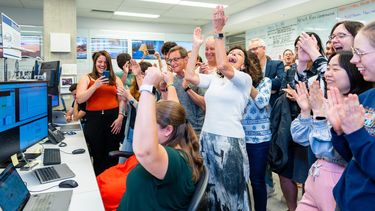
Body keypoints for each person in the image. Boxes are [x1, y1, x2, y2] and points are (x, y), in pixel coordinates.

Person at [184, 6, 252, 210]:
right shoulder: (214, 79)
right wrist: (196, 47)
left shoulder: (244, 80)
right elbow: (189, 77)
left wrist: (219, 32)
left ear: (244, 64)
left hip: (230, 141)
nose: (232, 55)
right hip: (207, 138)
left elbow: (222, 65)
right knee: (211, 191)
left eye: (238, 55)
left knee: (232, 192)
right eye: (230, 52)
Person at [290, 51, 372, 211]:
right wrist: (306, 111)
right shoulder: (325, 102)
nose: (327, 74)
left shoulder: (360, 107)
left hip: (337, 180)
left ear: (353, 72)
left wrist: (319, 116)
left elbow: (334, 151)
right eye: (327, 68)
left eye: (335, 69)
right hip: (315, 178)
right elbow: (300, 138)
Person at [117, 67, 203, 210]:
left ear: (168, 130)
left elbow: (144, 151)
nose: (147, 129)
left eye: (151, 124)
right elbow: (176, 110)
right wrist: (165, 88)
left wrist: (147, 86)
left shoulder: (175, 160)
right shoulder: (177, 143)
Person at [329, 21, 375, 211]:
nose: (354, 60)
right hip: (348, 200)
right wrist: (339, 130)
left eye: (360, 53)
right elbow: (352, 156)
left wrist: (356, 132)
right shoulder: (366, 98)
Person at [76, 50, 125, 175]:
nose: (102, 64)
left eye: (105, 62)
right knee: (98, 155)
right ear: (95, 62)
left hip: (114, 120)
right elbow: (80, 98)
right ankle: (99, 184)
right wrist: (95, 86)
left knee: (112, 154)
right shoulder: (86, 78)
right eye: (100, 61)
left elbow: (122, 100)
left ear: (109, 64)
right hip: (94, 121)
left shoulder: (116, 79)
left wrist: (120, 117)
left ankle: (112, 182)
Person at [242, 50, 272, 211]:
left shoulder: (265, 81)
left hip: (259, 140)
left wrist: (246, 82)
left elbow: (261, 101)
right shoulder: (234, 83)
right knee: (241, 180)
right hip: (238, 137)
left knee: (257, 180)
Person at [248, 37, 285, 107]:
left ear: (264, 49)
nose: (252, 52)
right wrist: (268, 88)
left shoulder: (277, 64)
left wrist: (260, 87)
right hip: (254, 106)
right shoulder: (248, 68)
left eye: (255, 49)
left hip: (273, 105)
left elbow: (281, 81)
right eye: (250, 50)